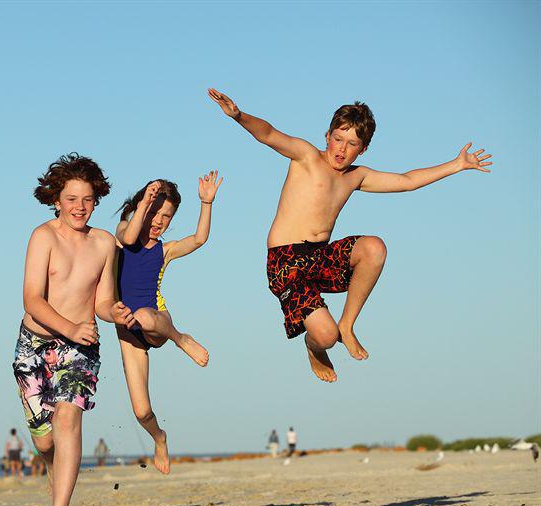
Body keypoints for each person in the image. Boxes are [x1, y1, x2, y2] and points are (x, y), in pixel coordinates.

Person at [208, 89, 492, 382]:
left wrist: (457, 165)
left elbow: (407, 181)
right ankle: (314, 346)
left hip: (320, 255)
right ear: (327, 136)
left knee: (374, 248)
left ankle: (348, 323)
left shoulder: (357, 176)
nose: (342, 149)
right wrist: (239, 116)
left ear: (363, 149)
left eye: (352, 144)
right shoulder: (306, 157)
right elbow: (268, 134)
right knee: (326, 337)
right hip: (286, 263)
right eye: (338, 139)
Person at [13, 153, 135, 506]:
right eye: (71, 199)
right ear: (56, 200)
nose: (79, 207)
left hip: (80, 346)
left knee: (68, 420)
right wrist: (66, 327)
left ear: (96, 199)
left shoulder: (104, 244)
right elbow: (32, 299)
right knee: (46, 440)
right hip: (34, 344)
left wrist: (115, 313)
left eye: (87, 200)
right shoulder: (43, 236)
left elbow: (102, 300)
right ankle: (52, 467)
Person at [113, 173, 221, 474]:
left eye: (167, 216)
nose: (160, 221)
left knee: (145, 315)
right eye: (155, 212)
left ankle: (181, 339)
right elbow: (130, 237)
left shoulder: (164, 250)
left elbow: (199, 239)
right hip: (127, 330)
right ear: (141, 206)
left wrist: (206, 203)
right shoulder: (122, 232)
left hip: (158, 321)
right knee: (141, 410)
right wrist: (145, 203)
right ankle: (159, 438)